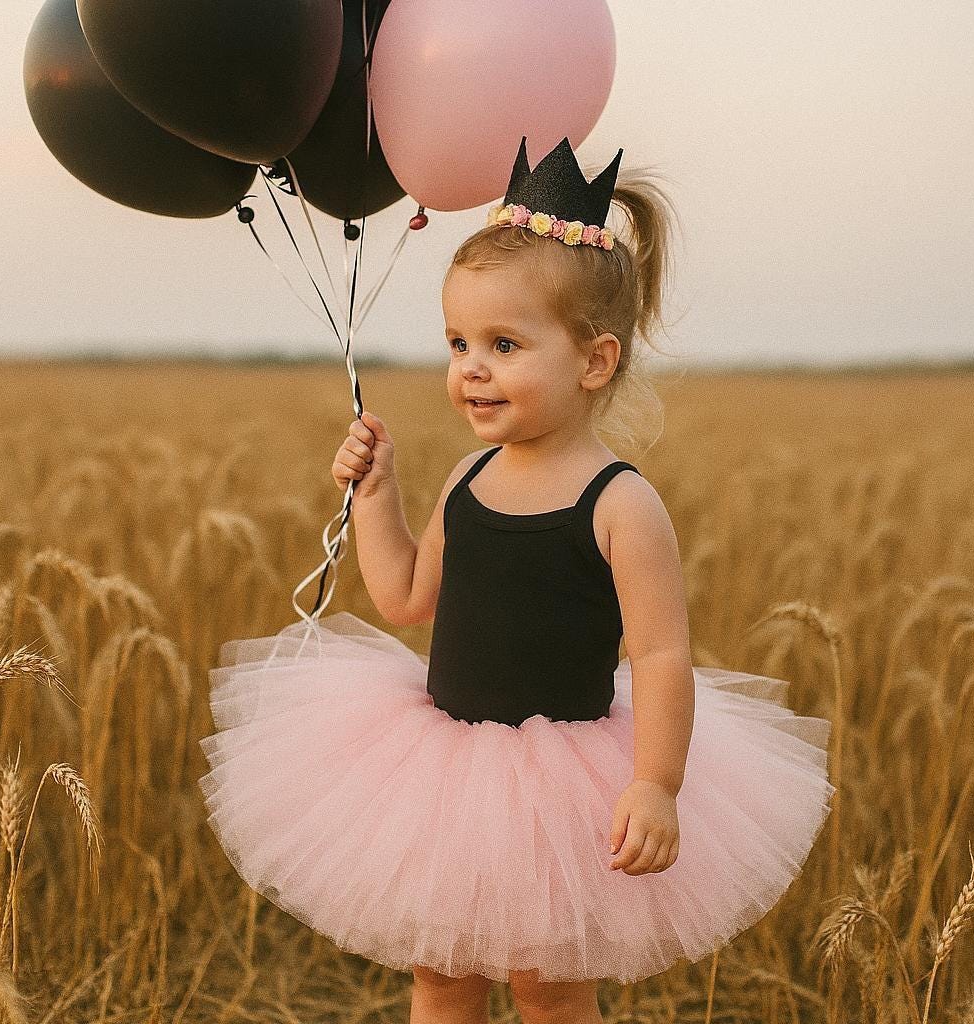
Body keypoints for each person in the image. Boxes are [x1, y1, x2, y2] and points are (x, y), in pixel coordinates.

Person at [198, 136, 836, 1024]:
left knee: (549, 983)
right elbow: (406, 601)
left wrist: (655, 782)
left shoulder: (621, 504)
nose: (471, 366)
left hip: (570, 777)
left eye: (503, 343)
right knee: (443, 974)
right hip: (446, 768)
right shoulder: (467, 479)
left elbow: (659, 654)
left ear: (594, 361)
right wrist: (377, 494)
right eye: (458, 341)